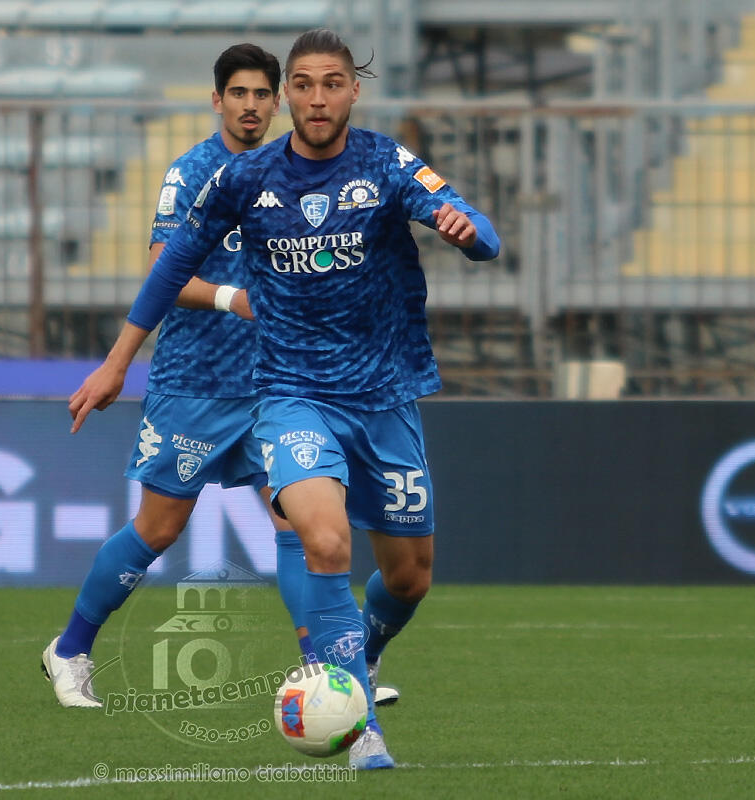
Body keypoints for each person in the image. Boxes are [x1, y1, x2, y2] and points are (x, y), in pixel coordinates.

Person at [68, 29, 500, 769]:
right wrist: (116, 364)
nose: (317, 98)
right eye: (304, 84)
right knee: (323, 540)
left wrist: (468, 233)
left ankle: (358, 654)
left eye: (332, 83)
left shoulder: (387, 163)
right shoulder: (245, 178)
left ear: (353, 90)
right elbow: (168, 269)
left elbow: (482, 233)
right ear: (288, 96)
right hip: (292, 396)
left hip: (385, 397)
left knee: (409, 577)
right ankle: (360, 726)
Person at [42, 42, 330, 710]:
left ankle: (325, 670)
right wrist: (234, 299)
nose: (251, 106)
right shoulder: (194, 171)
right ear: (217, 100)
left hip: (273, 385)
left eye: (262, 94)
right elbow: (161, 268)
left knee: (298, 524)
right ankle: (71, 648)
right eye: (239, 94)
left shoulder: (294, 174)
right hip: (194, 382)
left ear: (278, 102)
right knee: (159, 529)